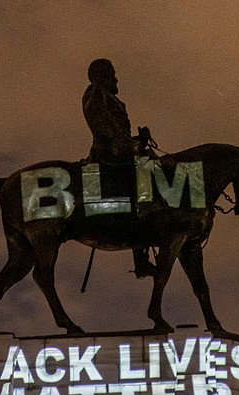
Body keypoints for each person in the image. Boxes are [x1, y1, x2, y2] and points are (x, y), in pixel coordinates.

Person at [82, 58, 157, 279]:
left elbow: (119, 136)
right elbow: (109, 132)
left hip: (118, 151)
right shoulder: (96, 94)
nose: (116, 78)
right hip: (108, 155)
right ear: (100, 75)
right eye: (111, 73)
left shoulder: (109, 98)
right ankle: (142, 253)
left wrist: (139, 141)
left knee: (149, 163)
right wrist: (137, 145)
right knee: (146, 169)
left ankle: (141, 250)